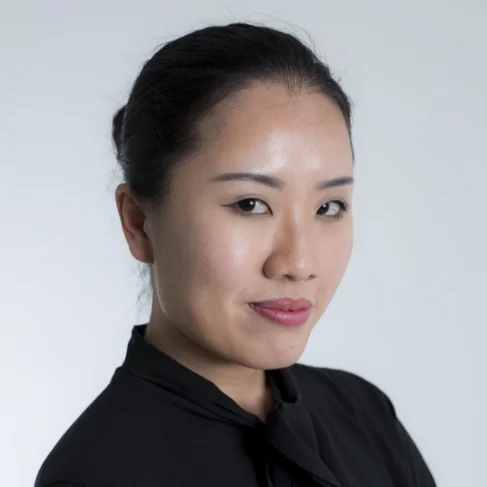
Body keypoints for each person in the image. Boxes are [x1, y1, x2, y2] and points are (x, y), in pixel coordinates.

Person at [34, 22, 437, 487]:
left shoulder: (365, 416)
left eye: (328, 207)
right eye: (250, 204)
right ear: (139, 222)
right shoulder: (95, 475)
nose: (298, 263)